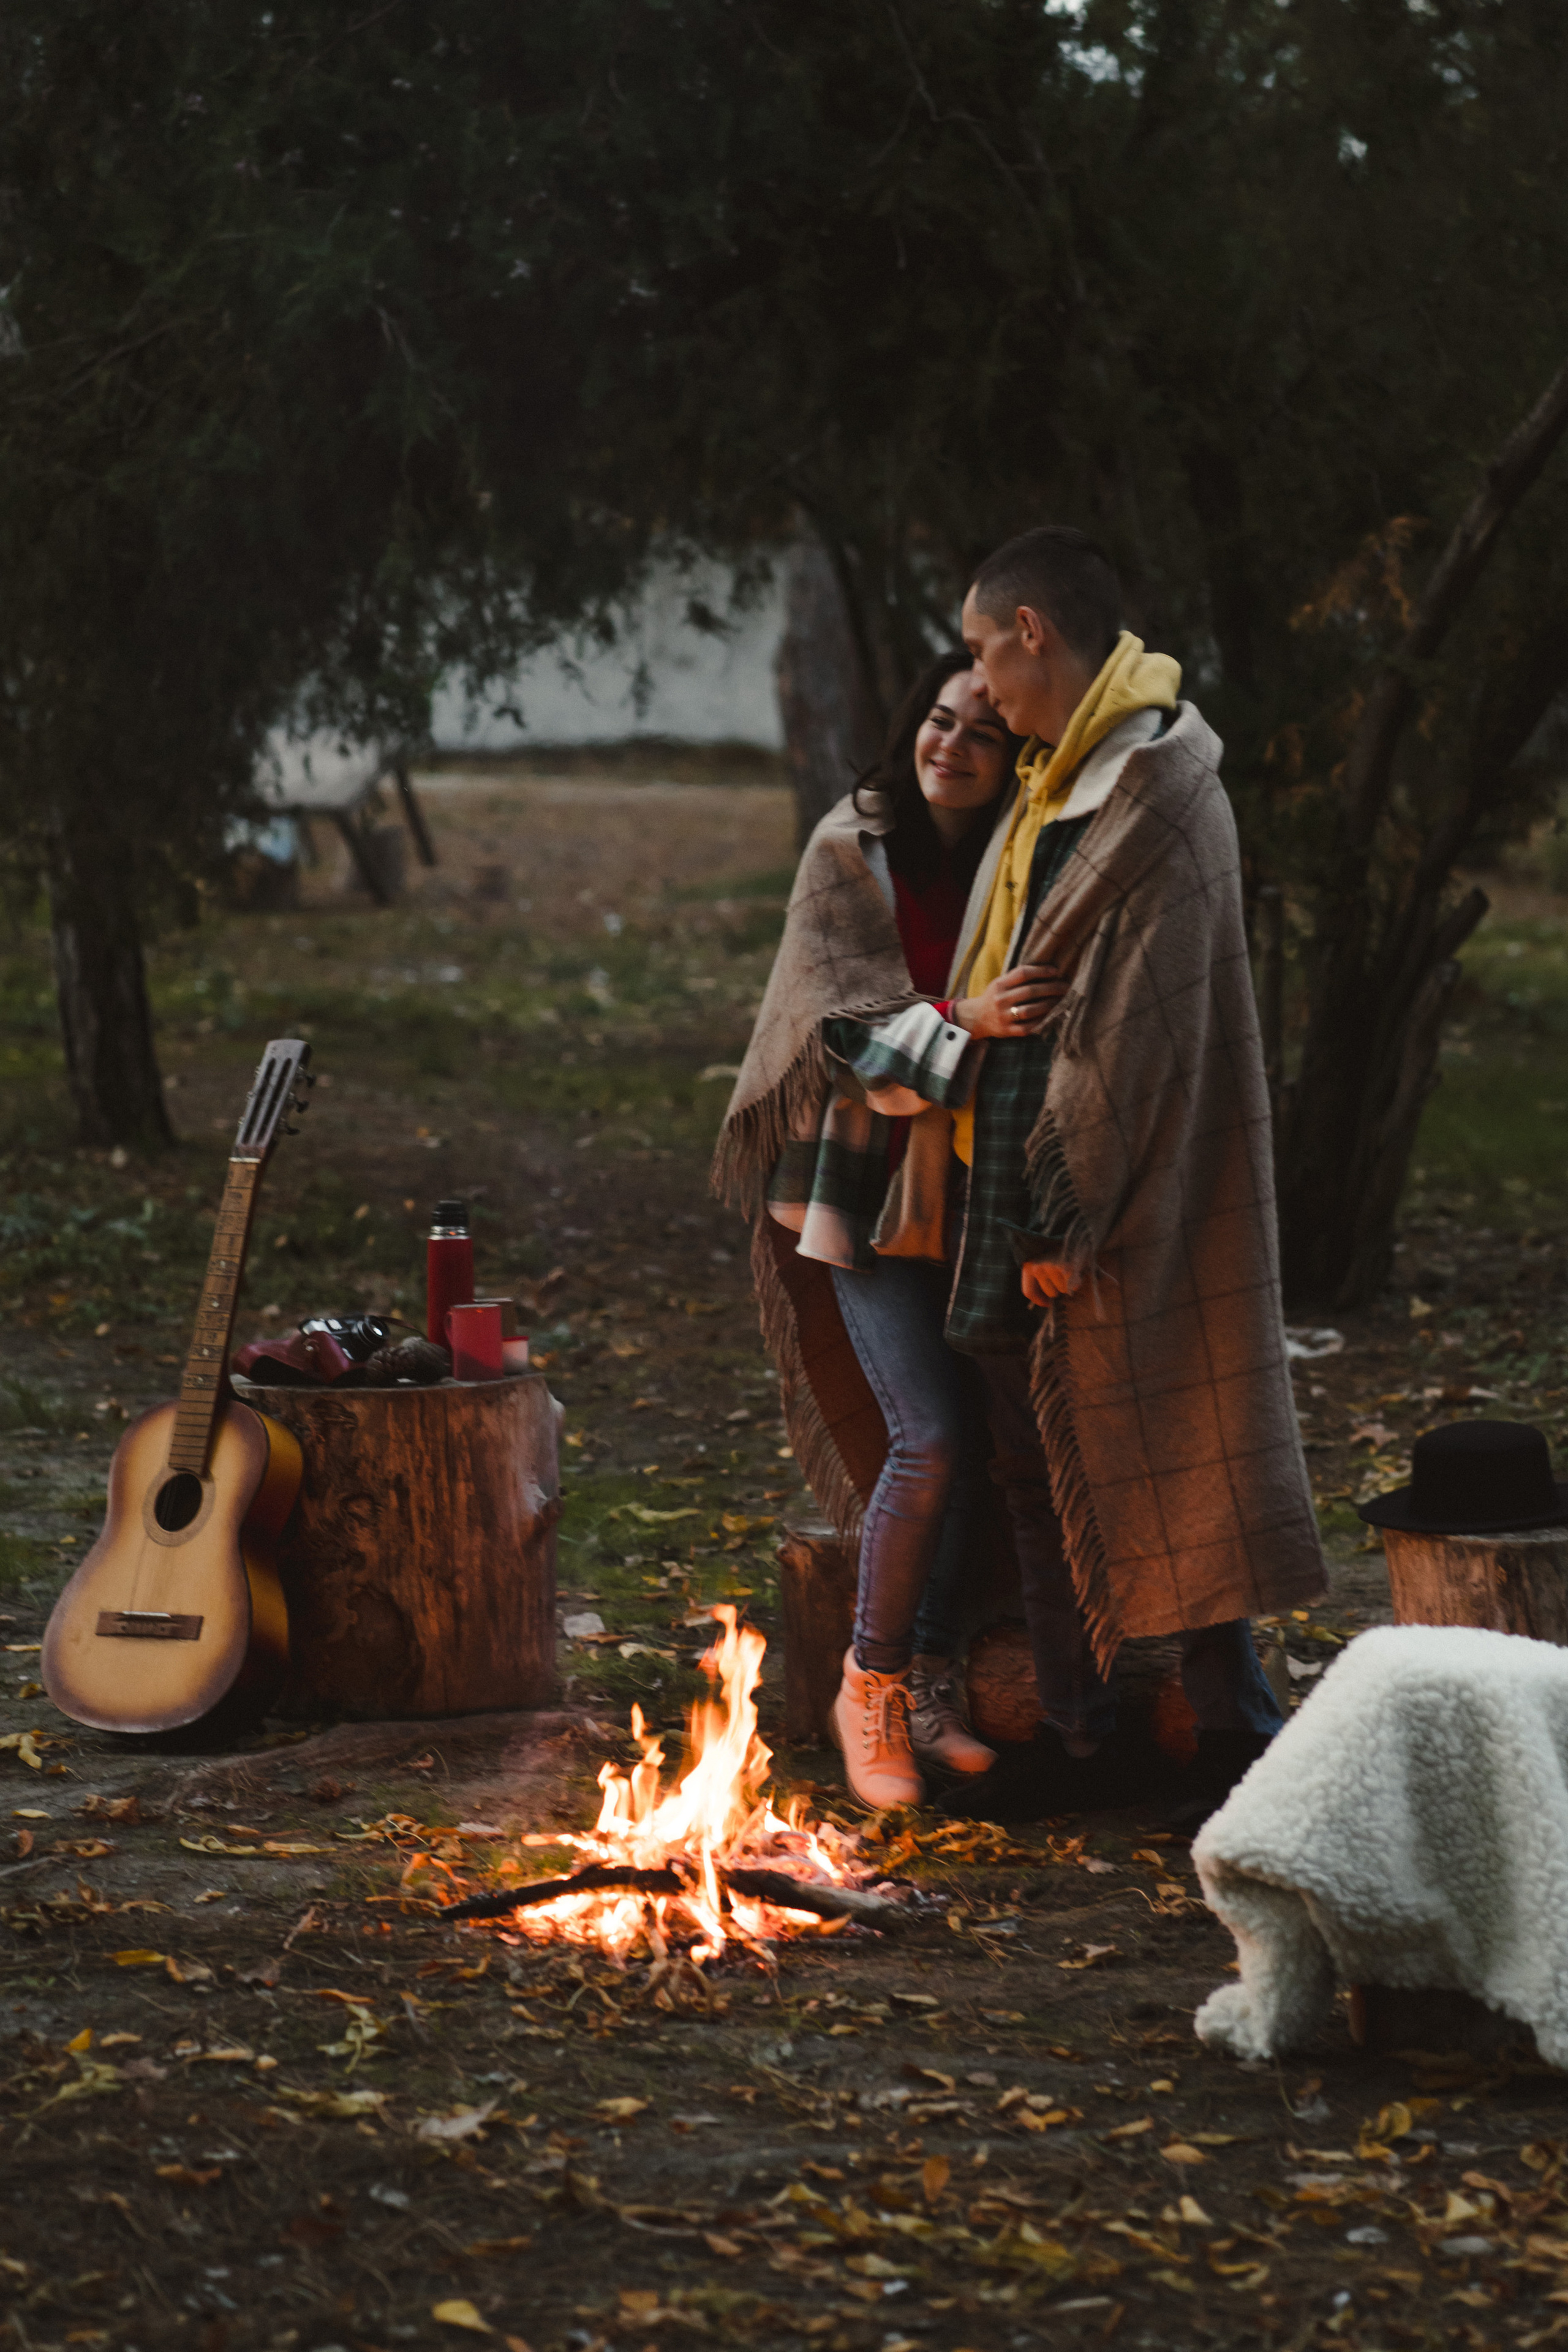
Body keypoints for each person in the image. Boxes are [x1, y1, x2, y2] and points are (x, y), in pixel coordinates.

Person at [930, 524, 1326, 1824]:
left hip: (1108, 1188)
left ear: (1034, 629)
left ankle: (1230, 1742)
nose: (979, 686)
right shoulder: (1054, 778)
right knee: (1026, 1469)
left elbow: (1142, 1030)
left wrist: (1068, 1208)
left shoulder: (1154, 785)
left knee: (1174, 1450)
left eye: (987, 650)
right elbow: (1014, 993)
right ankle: (1081, 1737)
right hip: (1014, 1164)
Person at [715, 653, 1054, 1806]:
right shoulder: (847, 849)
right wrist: (969, 1022)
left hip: (974, 1189)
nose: (949, 745)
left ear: (1016, 759)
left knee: (984, 1440)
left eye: (982, 732)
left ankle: (934, 1680)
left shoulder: (1021, 863)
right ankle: (868, 1687)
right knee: (930, 1437)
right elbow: (841, 1032)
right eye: (936, 721)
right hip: (855, 1193)